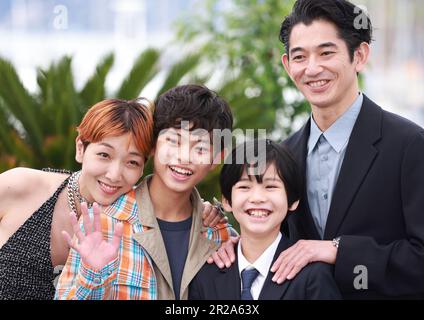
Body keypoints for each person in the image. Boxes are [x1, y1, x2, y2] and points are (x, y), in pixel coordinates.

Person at [270, 0, 424, 299]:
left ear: (360, 55)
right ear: (288, 66)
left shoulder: (410, 145)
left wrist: (339, 250)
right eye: (300, 56)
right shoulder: (284, 155)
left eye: (327, 53)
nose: (313, 68)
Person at [55, 84, 235, 300]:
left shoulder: (221, 235)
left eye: (201, 148)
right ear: (152, 145)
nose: (184, 157)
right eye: (174, 141)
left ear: (217, 158)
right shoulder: (102, 224)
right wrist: (93, 276)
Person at [0, 98, 154, 300]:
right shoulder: (20, 186)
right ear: (80, 149)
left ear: (142, 168)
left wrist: (208, 213)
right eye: (104, 155)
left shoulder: (142, 222)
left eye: (132, 162)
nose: (115, 174)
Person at [189, 139, 341, 300]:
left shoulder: (313, 275)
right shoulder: (205, 274)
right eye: (244, 187)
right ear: (227, 201)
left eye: (271, 187)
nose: (257, 198)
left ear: (293, 200)